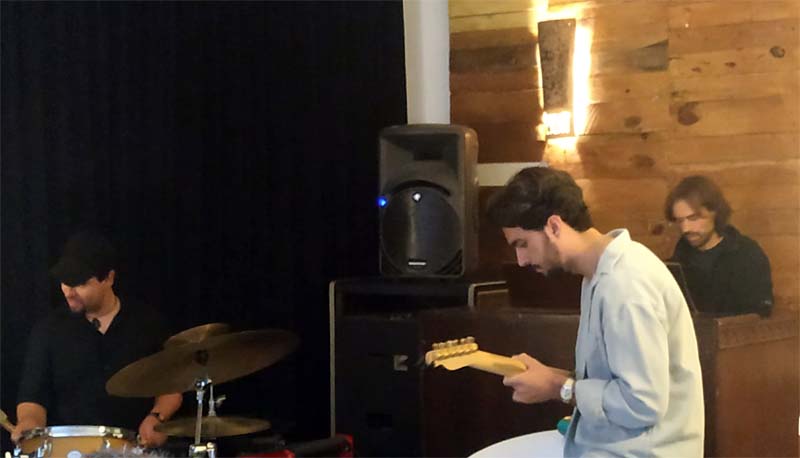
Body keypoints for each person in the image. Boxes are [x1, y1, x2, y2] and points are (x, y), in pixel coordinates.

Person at [484, 167, 704, 457]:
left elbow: (642, 404)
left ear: (554, 226)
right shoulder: (600, 273)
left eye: (522, 244)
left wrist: (557, 387)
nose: (521, 260)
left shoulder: (625, 282)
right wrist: (548, 376)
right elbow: (618, 381)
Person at [12, 231, 182, 447]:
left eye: (80, 284)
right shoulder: (48, 330)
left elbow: (171, 387)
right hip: (69, 450)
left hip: (134, 447)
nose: (69, 292)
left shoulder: (147, 323)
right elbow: (32, 397)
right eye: (65, 282)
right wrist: (29, 424)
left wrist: (158, 417)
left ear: (109, 278)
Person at [665, 175, 773, 316]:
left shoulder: (747, 255)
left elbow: (760, 314)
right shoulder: (679, 259)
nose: (685, 228)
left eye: (693, 218)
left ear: (715, 212)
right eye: (680, 221)